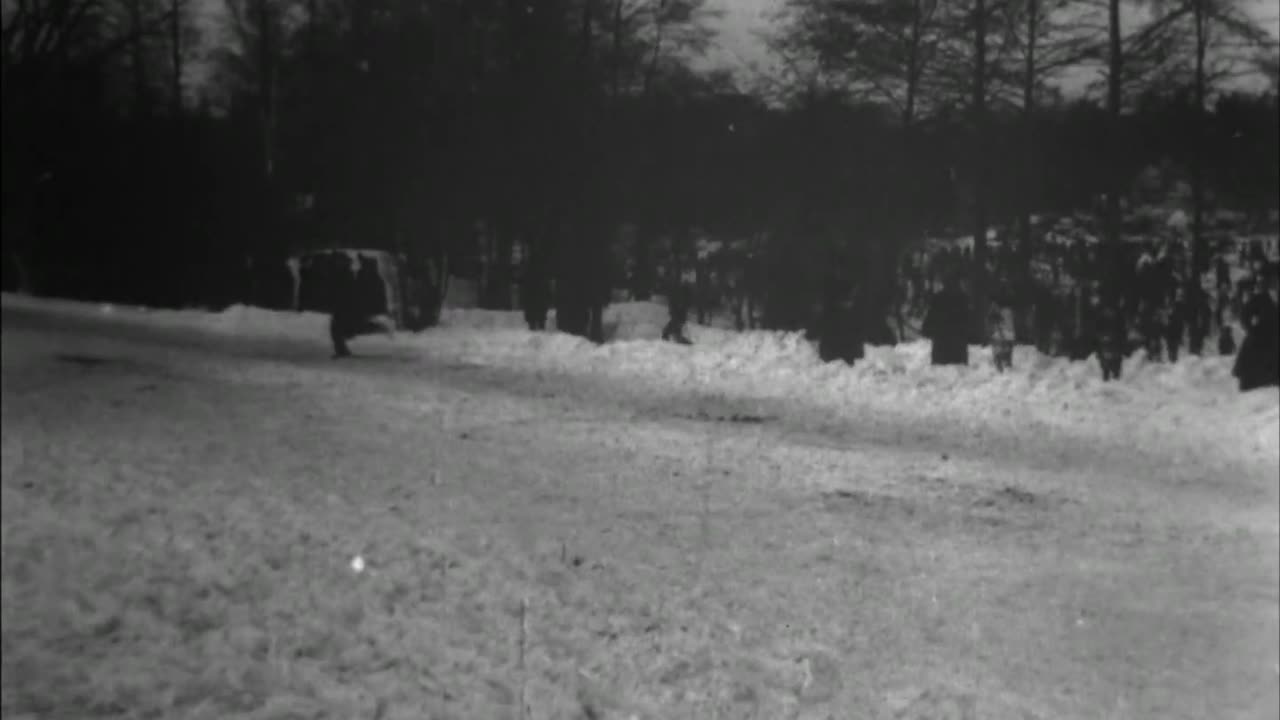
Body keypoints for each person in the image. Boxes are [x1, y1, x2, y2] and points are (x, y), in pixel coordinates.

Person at [1232, 277, 1279, 391]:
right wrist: (1251, 329)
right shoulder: (1260, 298)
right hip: (1261, 335)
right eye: (1275, 285)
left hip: (1277, 336)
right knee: (1254, 360)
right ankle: (1252, 383)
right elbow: (1245, 315)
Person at [923, 273, 970, 366]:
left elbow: (929, 320)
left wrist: (926, 331)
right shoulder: (963, 299)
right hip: (958, 352)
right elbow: (969, 322)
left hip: (941, 351)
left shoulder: (937, 299)